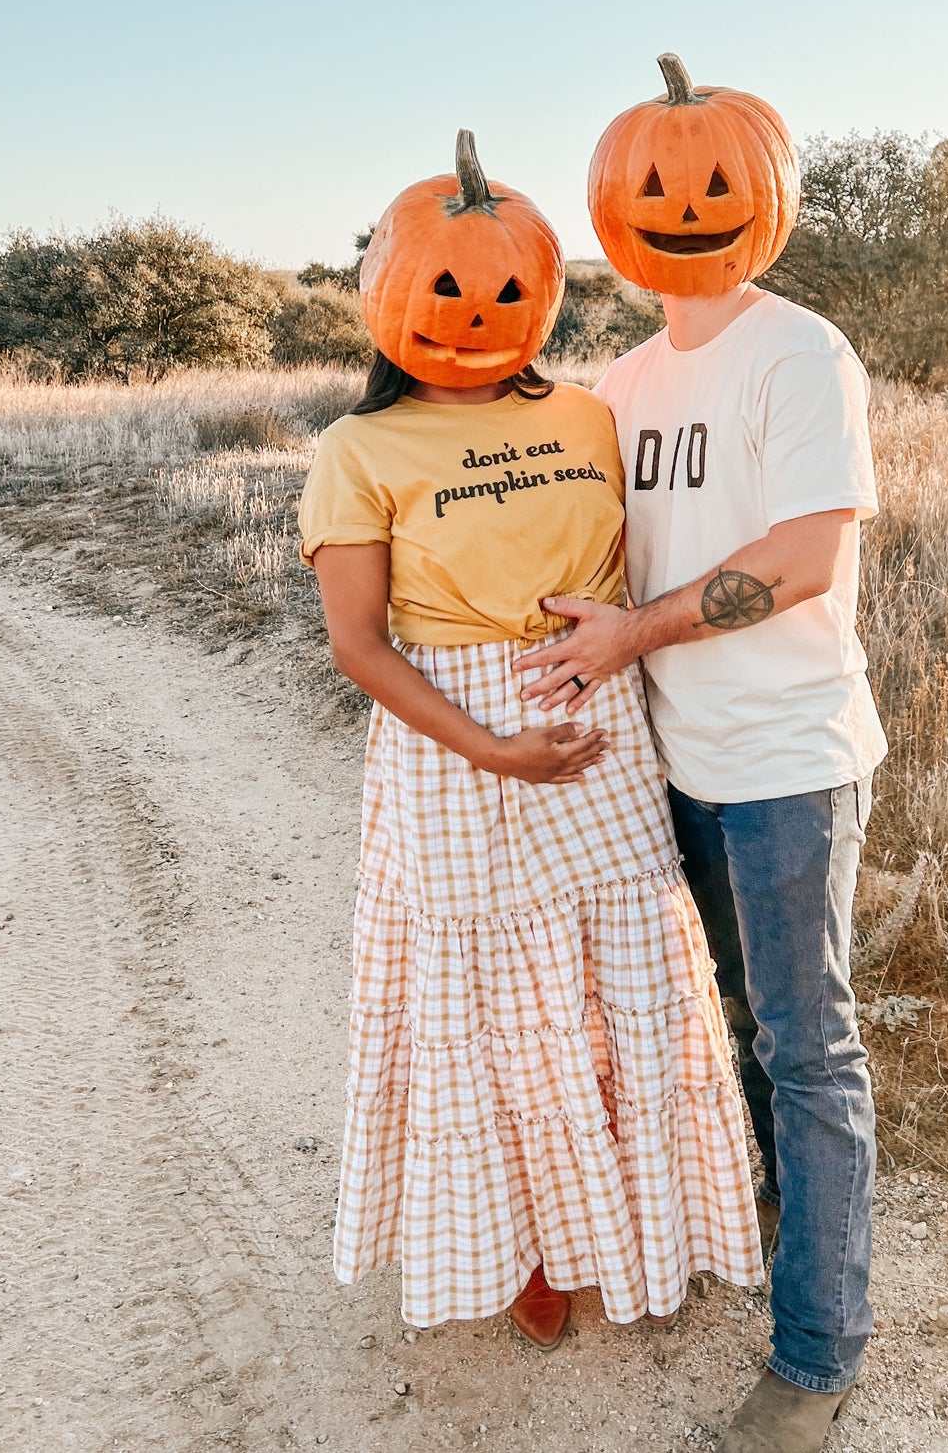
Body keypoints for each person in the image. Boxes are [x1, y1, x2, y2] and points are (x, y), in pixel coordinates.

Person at [299, 131, 762, 1352]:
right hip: (455, 743)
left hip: (596, 721)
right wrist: (490, 747)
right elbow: (359, 643)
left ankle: (636, 1218)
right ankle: (527, 1247)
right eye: (448, 288)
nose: (477, 313)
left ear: (545, 292)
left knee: (623, 986)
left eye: (507, 289)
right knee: (487, 1002)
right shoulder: (355, 453)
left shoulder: (591, 412)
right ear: (388, 295)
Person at [516, 58, 886, 1451]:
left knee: (807, 1047)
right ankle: (773, 1220)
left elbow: (799, 555)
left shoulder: (798, 349)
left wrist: (634, 634)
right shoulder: (619, 376)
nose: (683, 207)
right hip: (671, 759)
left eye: (711, 184)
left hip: (787, 756)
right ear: (615, 212)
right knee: (727, 1023)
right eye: (658, 189)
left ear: (763, 196)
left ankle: (815, 1354)